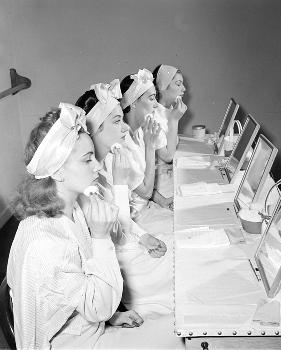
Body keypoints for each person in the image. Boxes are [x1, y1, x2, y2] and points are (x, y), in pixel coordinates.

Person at [7, 103, 143, 349]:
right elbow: (97, 307)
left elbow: (75, 293)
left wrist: (113, 317)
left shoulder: (72, 209)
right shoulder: (45, 243)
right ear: (57, 171)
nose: (98, 166)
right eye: (87, 160)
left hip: (88, 328)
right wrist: (101, 238)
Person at [75, 79, 174, 318]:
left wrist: (143, 236)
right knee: (181, 262)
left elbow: (122, 225)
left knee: (179, 245)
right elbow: (113, 235)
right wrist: (120, 185)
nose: (125, 128)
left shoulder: (105, 160)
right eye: (117, 122)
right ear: (96, 128)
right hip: (118, 266)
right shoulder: (85, 177)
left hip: (125, 248)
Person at [120, 69, 174, 229]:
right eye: (151, 98)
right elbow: (145, 192)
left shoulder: (139, 131)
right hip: (134, 221)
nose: (156, 104)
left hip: (145, 210)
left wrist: (162, 200)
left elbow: (138, 182)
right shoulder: (122, 141)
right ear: (134, 102)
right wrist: (150, 146)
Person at [152, 64, 187, 197]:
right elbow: (167, 157)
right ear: (163, 87)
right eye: (178, 84)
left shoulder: (170, 109)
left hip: (168, 174)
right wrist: (174, 120)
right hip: (159, 183)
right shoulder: (153, 115)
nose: (184, 89)